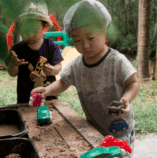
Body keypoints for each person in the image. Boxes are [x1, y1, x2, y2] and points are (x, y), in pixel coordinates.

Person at [31, 0, 140, 157]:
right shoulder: (77, 65)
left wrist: (126, 99)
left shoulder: (117, 61)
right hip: (94, 128)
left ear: (104, 31)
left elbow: (134, 82)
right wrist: (47, 90)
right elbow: (62, 82)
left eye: (90, 37)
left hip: (120, 131)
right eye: (77, 40)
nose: (85, 45)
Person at [7, 1, 63, 104]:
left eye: (35, 30)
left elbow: (59, 66)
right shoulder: (17, 49)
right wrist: (13, 65)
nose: (30, 34)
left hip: (49, 98)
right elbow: (12, 73)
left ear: (43, 27)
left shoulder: (51, 46)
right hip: (25, 99)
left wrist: (53, 70)